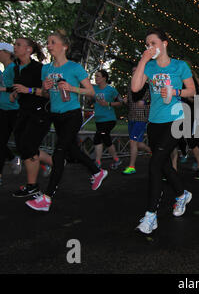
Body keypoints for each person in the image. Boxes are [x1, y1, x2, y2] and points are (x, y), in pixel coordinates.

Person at [25, 30, 108, 212]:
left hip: (72, 114)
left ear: (64, 46)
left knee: (60, 152)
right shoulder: (46, 69)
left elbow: (91, 92)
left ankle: (47, 198)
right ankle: (97, 171)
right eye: (47, 42)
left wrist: (71, 88)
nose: (49, 45)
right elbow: (46, 94)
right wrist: (45, 88)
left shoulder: (74, 68)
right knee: (73, 151)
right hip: (56, 115)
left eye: (53, 42)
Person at [132, 28, 196, 234]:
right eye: (147, 44)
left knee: (155, 163)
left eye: (153, 43)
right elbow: (135, 89)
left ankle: (151, 215)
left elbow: (192, 91)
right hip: (155, 121)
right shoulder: (149, 67)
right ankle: (182, 194)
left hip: (177, 119)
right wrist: (142, 61)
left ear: (164, 43)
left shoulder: (180, 66)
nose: (150, 47)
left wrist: (175, 91)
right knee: (164, 165)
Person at [6, 37, 52, 198]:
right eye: (15, 45)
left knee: (28, 146)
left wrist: (29, 90)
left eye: (18, 45)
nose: (15, 47)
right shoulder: (17, 69)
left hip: (40, 112)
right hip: (23, 111)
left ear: (29, 50)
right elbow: (20, 89)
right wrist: (14, 93)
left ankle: (32, 186)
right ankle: (55, 163)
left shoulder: (40, 69)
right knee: (22, 146)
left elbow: (48, 93)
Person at [122, 66, 152, 175]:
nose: (134, 73)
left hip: (142, 118)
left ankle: (131, 166)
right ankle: (151, 151)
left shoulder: (149, 87)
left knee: (133, 141)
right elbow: (130, 102)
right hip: (131, 117)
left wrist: (146, 102)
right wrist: (125, 101)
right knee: (137, 143)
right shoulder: (130, 86)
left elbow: (154, 100)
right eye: (133, 71)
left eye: (136, 71)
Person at [92, 69, 123, 170]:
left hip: (109, 119)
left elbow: (120, 102)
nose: (95, 78)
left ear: (104, 78)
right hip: (98, 119)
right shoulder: (94, 88)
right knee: (105, 139)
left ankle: (97, 162)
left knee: (98, 137)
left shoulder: (111, 90)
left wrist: (108, 103)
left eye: (98, 76)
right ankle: (117, 160)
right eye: (95, 76)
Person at [0, 43, 19, 186]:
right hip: (3, 110)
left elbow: (20, 86)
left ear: (6, 52)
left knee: (25, 144)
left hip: (14, 111)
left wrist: (4, 89)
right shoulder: (5, 70)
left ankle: (47, 162)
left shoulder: (13, 68)